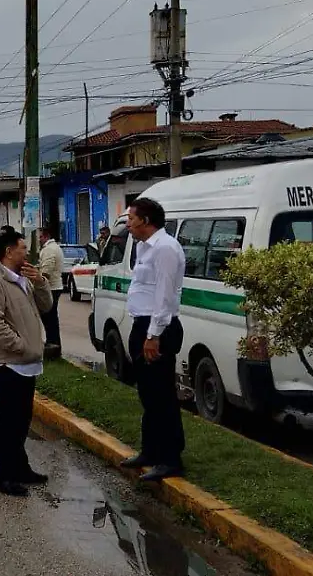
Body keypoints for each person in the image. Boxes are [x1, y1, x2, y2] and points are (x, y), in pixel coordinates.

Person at [0, 230, 53, 496]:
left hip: (27, 364)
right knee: (8, 421)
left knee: (22, 420)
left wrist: (40, 282)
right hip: (8, 364)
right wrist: (20, 346)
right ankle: (3, 475)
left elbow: (45, 307)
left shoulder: (24, 279)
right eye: (22, 248)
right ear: (8, 252)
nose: (27, 253)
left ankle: (20, 468)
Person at [120, 197, 187, 482]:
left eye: (131, 219)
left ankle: (170, 458)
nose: (128, 225)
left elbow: (164, 296)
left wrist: (153, 335)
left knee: (162, 395)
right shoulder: (143, 247)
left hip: (157, 328)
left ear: (145, 221)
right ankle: (150, 451)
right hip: (142, 326)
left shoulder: (166, 249)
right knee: (148, 393)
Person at [37, 226, 66, 356]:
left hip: (51, 287)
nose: (39, 239)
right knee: (51, 317)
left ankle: (53, 345)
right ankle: (53, 344)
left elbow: (46, 272)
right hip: (55, 286)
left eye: (41, 237)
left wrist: (37, 282)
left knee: (49, 317)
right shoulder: (54, 248)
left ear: (46, 236)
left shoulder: (49, 250)